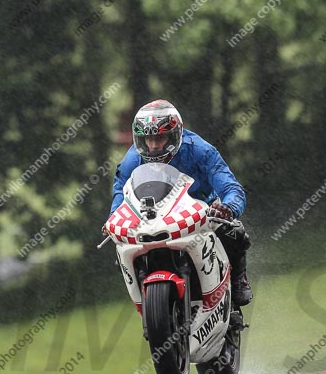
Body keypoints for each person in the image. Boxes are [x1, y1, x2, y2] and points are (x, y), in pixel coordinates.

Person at [107, 99, 252, 308]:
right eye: (148, 139)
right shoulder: (133, 158)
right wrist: (114, 216)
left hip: (201, 214)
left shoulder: (201, 150)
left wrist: (228, 208)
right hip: (154, 217)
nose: (154, 145)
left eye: (160, 137)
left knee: (234, 232)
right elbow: (120, 189)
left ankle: (238, 279)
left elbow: (231, 188)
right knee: (124, 248)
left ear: (175, 134)